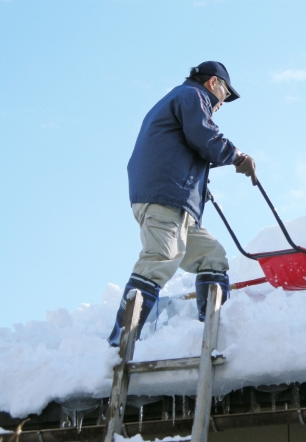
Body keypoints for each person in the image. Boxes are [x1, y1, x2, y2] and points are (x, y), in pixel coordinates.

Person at [107, 61, 256, 347]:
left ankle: (213, 332)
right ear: (213, 83)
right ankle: (119, 344)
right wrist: (238, 156)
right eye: (225, 93)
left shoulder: (179, 99)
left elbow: (184, 147)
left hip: (177, 201)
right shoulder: (192, 96)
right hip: (166, 198)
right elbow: (205, 136)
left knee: (212, 256)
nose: (223, 102)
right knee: (159, 259)